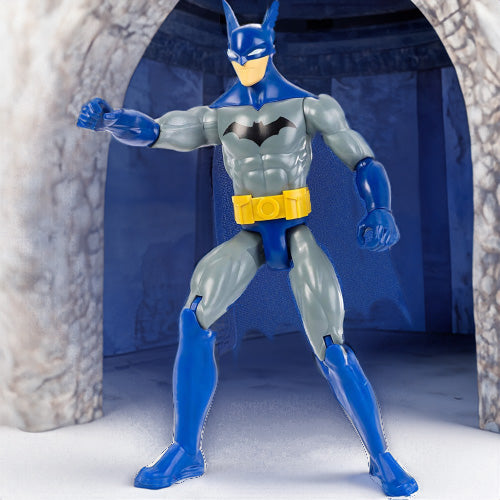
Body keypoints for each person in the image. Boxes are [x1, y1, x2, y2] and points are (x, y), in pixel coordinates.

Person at [77, 1, 418, 496]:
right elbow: (157, 131)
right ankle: (186, 451)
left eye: (252, 56)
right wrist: (111, 120)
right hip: (251, 235)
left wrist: (379, 208)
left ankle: (381, 456)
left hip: (297, 234)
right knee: (194, 317)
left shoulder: (309, 106)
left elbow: (362, 158)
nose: (244, 65)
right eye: (237, 58)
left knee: (332, 345)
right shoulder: (220, 115)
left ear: (270, 50)